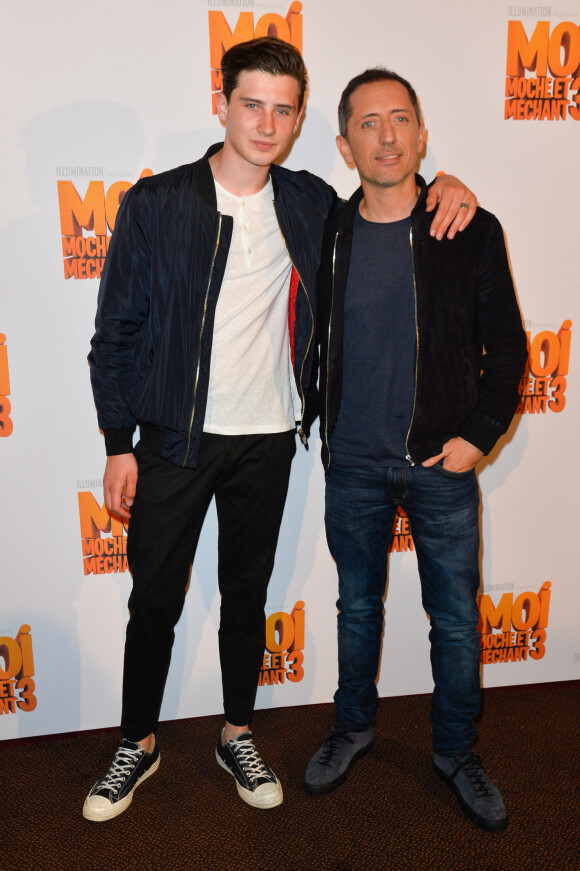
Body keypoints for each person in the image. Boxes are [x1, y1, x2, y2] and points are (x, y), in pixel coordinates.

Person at [84, 39, 475, 821]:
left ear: (300, 119)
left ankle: (237, 729)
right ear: (221, 101)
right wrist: (116, 441)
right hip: (171, 440)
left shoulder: (307, 204)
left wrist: (445, 185)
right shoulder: (155, 203)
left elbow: (387, 192)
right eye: (251, 104)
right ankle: (138, 741)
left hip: (266, 439)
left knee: (245, 596)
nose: (266, 122)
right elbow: (114, 332)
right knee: (154, 599)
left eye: (283, 108)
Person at [303, 68, 527, 832]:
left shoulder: (468, 226)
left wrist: (477, 435)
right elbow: (238, 169)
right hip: (355, 464)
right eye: (369, 123)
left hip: (441, 463)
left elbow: (511, 347)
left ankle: (456, 751)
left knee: (457, 620)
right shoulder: (324, 228)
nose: (388, 135)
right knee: (357, 608)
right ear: (344, 143)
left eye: (401, 119)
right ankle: (353, 726)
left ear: (423, 134)